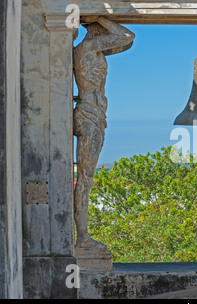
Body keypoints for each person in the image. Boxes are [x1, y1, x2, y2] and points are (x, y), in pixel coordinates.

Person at [73, 17, 135, 253]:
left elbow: (125, 42)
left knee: (87, 179)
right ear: (97, 29)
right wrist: (99, 17)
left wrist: (100, 20)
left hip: (97, 116)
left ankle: (82, 235)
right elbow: (128, 37)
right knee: (86, 180)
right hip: (89, 114)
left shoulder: (96, 52)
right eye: (104, 29)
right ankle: (83, 237)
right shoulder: (86, 48)